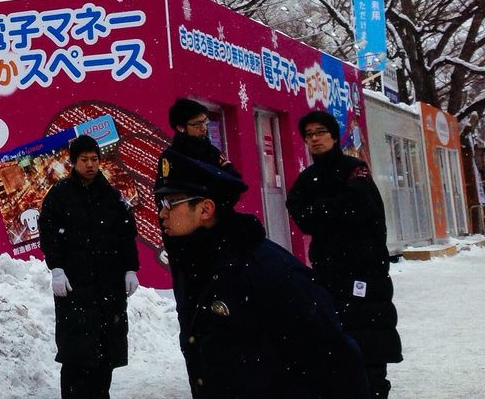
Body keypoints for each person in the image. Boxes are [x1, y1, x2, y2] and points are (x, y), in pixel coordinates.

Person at [156, 147, 368, 398]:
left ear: (205, 209)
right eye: (160, 203)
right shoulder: (193, 267)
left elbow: (338, 364)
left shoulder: (269, 271)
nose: (162, 214)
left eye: (170, 203)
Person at [286, 110, 402, 399]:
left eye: (320, 132)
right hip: (328, 273)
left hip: (365, 272)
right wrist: (334, 210)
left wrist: (323, 210)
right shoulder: (306, 179)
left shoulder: (355, 168)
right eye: (309, 134)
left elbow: (360, 205)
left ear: (334, 136)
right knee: (335, 345)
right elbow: (301, 215)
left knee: (370, 346)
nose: (314, 138)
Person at [37, 135, 140, 399]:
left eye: (94, 159)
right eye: (84, 160)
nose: (91, 165)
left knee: (105, 355)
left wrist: (130, 268)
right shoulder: (59, 195)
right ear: (73, 162)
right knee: (76, 355)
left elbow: (127, 235)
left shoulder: (113, 197)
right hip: (75, 288)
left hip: (109, 289)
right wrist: (56, 268)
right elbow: (48, 233)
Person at [165, 98, 238, 174]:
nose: (204, 128)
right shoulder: (171, 157)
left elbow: (235, 179)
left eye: (205, 121)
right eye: (197, 124)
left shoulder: (213, 152)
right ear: (181, 128)